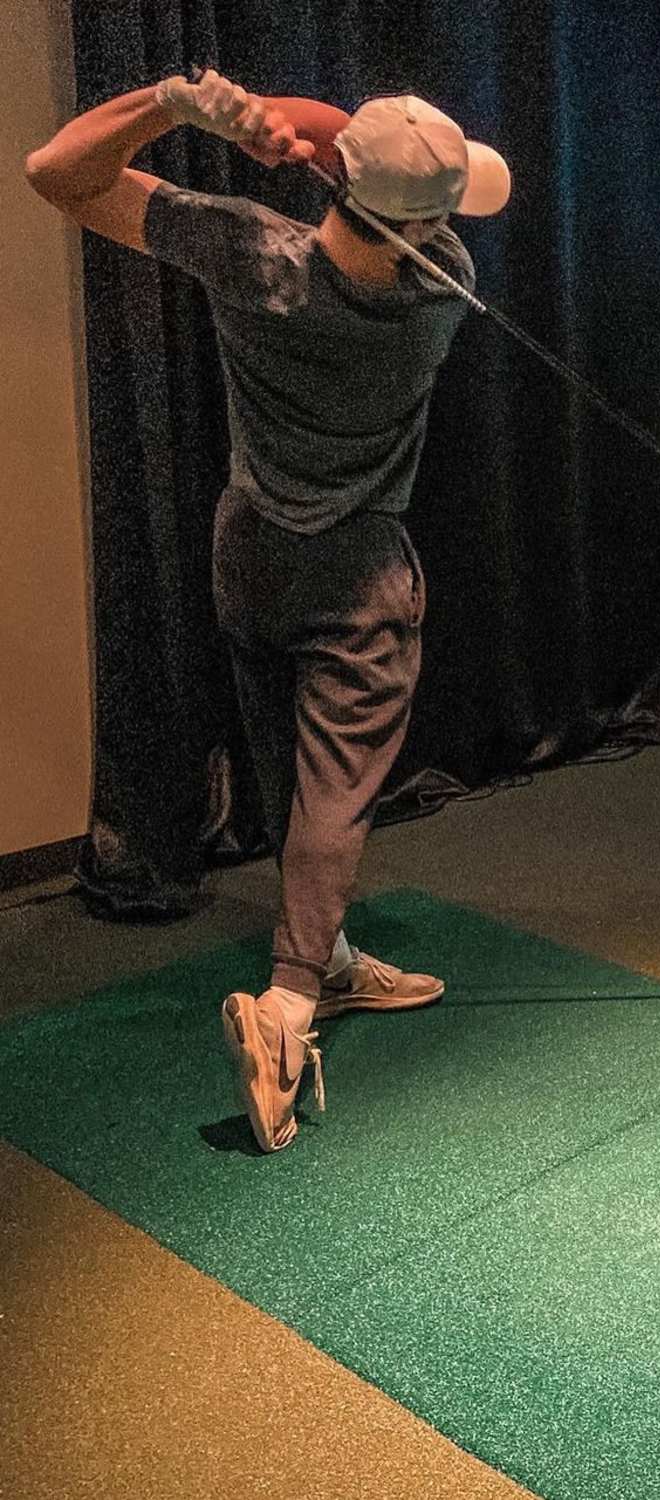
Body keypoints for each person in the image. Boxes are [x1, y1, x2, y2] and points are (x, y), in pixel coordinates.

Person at [25, 69, 511, 1152]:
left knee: (291, 778)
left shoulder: (253, 251)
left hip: (249, 550)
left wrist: (180, 105)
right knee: (335, 791)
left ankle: (328, 959)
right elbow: (371, 174)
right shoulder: (445, 281)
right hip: (357, 567)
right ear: (424, 219)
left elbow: (55, 173)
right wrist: (308, 141)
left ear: (338, 186)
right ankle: (291, 1008)